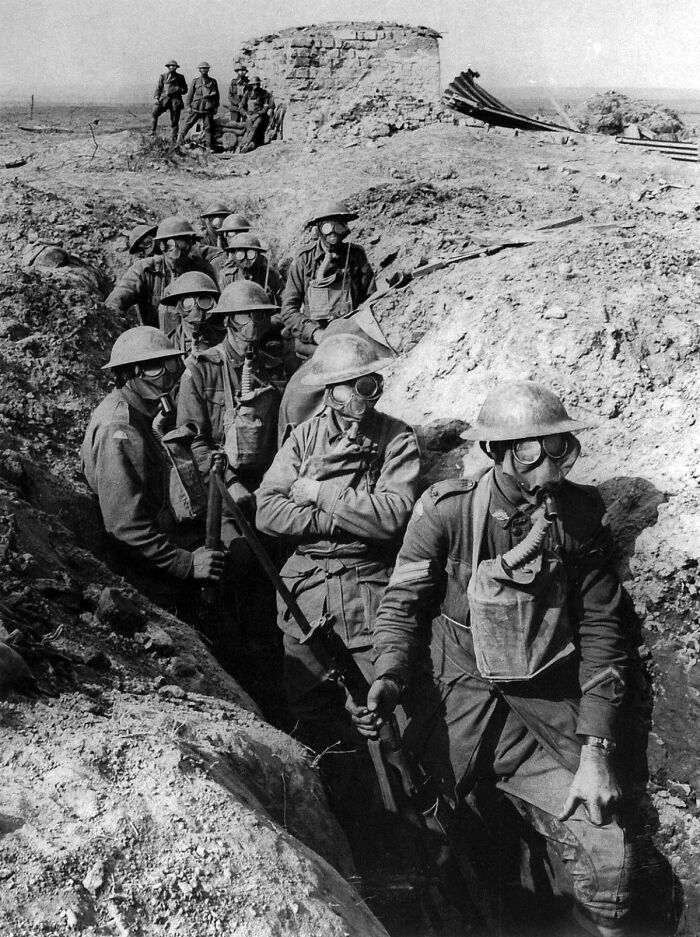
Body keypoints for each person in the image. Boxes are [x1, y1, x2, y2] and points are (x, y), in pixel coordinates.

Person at [356, 380, 632, 937]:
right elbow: (403, 603)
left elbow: (605, 630)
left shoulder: (578, 519)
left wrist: (596, 748)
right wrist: (388, 675)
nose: (548, 467)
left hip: (543, 716)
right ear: (497, 453)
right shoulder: (448, 513)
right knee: (441, 858)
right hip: (453, 710)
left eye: (560, 449)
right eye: (530, 451)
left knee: (610, 863)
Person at [255, 334, 420, 770]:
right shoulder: (303, 439)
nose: (367, 393)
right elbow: (268, 511)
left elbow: (391, 515)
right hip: (305, 595)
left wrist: (319, 493)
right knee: (310, 714)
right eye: (355, 384)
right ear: (331, 392)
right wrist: (340, 518)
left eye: (372, 382)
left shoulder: (397, 439)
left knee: (386, 719)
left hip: (367, 594)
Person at [176, 281, 286, 713]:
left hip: (268, 485)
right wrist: (230, 484)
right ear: (227, 321)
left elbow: (286, 433)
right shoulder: (201, 370)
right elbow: (193, 442)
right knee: (237, 564)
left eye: (260, 316)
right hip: (221, 489)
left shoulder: (275, 367)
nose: (253, 325)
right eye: (244, 317)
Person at [81, 327, 225, 609]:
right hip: (145, 567)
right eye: (153, 367)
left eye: (171, 363)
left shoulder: (143, 412)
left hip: (163, 540)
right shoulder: (120, 428)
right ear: (131, 372)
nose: (168, 374)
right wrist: (186, 563)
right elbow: (125, 527)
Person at [280, 200, 376, 361]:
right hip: (316, 344)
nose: (333, 232)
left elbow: (370, 300)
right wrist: (314, 333)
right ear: (318, 229)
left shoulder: (356, 257)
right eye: (327, 226)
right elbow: (288, 310)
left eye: (338, 225)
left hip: (351, 339)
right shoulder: (304, 260)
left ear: (345, 229)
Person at [106, 216, 216, 329]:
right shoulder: (144, 270)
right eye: (169, 244)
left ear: (190, 244)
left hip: (195, 337)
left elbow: (216, 311)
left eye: (181, 242)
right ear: (161, 246)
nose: (175, 250)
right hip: (156, 340)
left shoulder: (202, 269)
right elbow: (114, 303)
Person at [159, 271, 223, 358]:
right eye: (187, 303)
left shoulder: (223, 338)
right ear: (178, 306)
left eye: (204, 301)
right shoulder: (168, 343)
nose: (196, 310)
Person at [217, 232, 284, 304]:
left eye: (251, 253)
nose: (246, 258)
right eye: (240, 254)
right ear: (234, 255)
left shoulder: (270, 275)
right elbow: (222, 305)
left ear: (258, 254)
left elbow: (285, 300)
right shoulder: (228, 277)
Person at [178, 62, 220, 151]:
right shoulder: (195, 81)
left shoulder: (213, 81)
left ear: (208, 69)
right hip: (196, 107)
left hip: (208, 107)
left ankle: (208, 146)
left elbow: (217, 97)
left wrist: (216, 107)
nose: (203, 70)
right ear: (199, 70)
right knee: (187, 124)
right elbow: (190, 94)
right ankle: (178, 143)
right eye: (202, 68)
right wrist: (188, 106)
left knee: (208, 127)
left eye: (205, 68)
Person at [151, 59, 188, 142]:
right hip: (164, 99)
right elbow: (159, 87)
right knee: (154, 113)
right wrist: (156, 98)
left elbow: (185, 90)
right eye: (171, 66)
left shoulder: (180, 77)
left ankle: (174, 140)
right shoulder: (163, 76)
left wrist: (178, 88)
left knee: (174, 122)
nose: (173, 67)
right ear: (168, 67)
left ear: (176, 68)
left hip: (175, 101)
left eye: (174, 66)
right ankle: (152, 131)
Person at [239, 76, 275, 153]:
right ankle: (243, 145)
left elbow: (265, 108)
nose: (256, 86)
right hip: (249, 115)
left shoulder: (264, 94)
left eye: (257, 84)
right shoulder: (247, 94)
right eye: (254, 84)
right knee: (248, 129)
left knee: (255, 126)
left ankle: (247, 144)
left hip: (259, 115)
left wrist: (258, 114)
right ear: (251, 85)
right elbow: (241, 106)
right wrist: (246, 114)